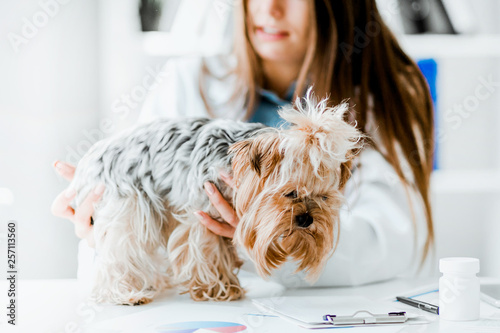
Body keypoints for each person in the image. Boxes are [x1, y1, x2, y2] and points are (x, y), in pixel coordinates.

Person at [52, 0, 435, 287]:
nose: (270, 9)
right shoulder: (186, 80)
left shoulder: (384, 96)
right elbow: (132, 262)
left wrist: (263, 232)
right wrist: (101, 228)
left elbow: (386, 247)